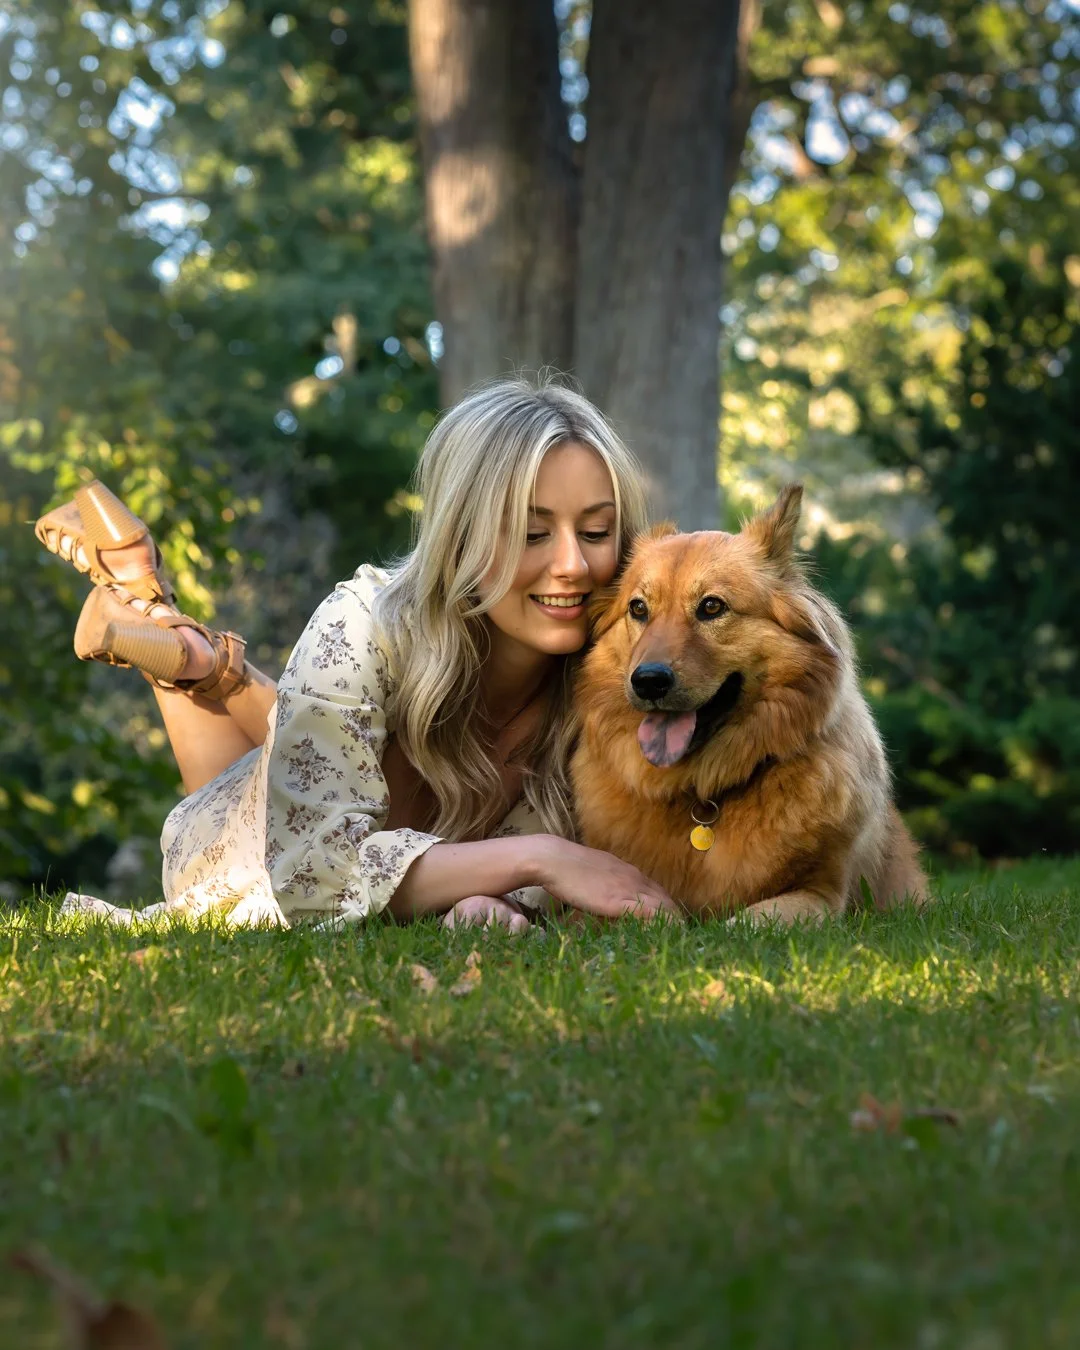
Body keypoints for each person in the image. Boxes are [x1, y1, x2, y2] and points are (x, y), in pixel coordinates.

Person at [36, 377, 678, 931]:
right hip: (246, 848)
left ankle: (195, 656)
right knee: (278, 788)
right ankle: (178, 644)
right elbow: (312, 880)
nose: (573, 564)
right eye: (533, 533)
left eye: (596, 532)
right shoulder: (364, 623)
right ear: (460, 538)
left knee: (321, 744)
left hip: (342, 794)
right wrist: (541, 857)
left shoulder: (629, 669)